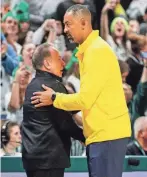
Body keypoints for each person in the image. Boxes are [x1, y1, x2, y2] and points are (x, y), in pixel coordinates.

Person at [31, 4, 131, 177]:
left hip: (107, 135)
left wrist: (54, 98)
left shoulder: (96, 52)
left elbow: (85, 99)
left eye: (69, 24)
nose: (65, 29)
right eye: (64, 25)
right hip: (102, 134)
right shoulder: (90, 50)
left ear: (84, 22)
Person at [21, 43, 85, 177]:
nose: (63, 63)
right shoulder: (53, 86)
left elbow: (71, 106)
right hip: (48, 159)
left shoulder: (32, 85)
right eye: (59, 59)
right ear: (47, 64)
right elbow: (65, 123)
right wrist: (86, 137)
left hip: (32, 158)